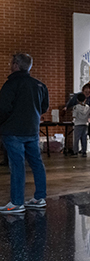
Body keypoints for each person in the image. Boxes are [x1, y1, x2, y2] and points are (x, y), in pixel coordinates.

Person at [0, 53, 49, 213]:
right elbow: (44, 108)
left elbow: (3, 109)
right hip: (32, 131)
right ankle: (39, 197)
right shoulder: (39, 85)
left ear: (15, 64)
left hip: (13, 131)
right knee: (37, 163)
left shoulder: (11, 84)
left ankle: (16, 202)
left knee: (17, 165)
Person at [72, 93, 90, 157]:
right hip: (85, 124)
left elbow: (74, 116)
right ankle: (84, 152)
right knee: (84, 139)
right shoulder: (88, 107)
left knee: (76, 139)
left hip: (77, 124)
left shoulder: (76, 107)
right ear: (85, 99)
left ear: (77, 100)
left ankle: (75, 152)